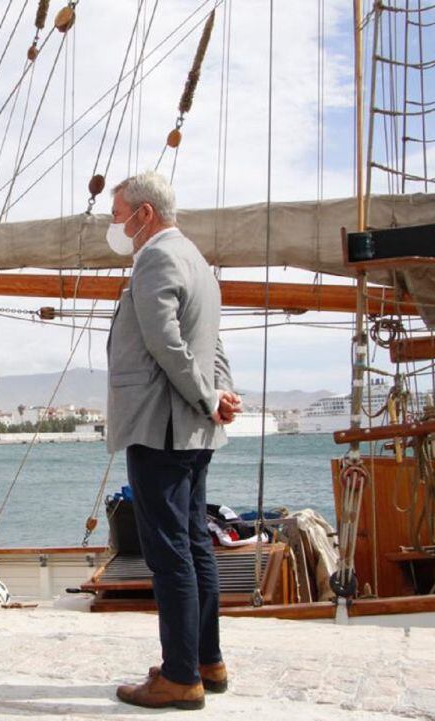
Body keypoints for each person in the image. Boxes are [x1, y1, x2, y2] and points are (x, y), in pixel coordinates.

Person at [105, 171, 241, 711]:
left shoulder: (156, 257)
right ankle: (207, 660)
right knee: (192, 546)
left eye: (118, 216)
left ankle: (181, 676)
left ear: (143, 214)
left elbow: (166, 343)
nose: (116, 226)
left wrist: (209, 396)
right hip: (192, 427)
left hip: (161, 425)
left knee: (169, 555)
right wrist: (221, 392)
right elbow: (212, 341)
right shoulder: (198, 263)